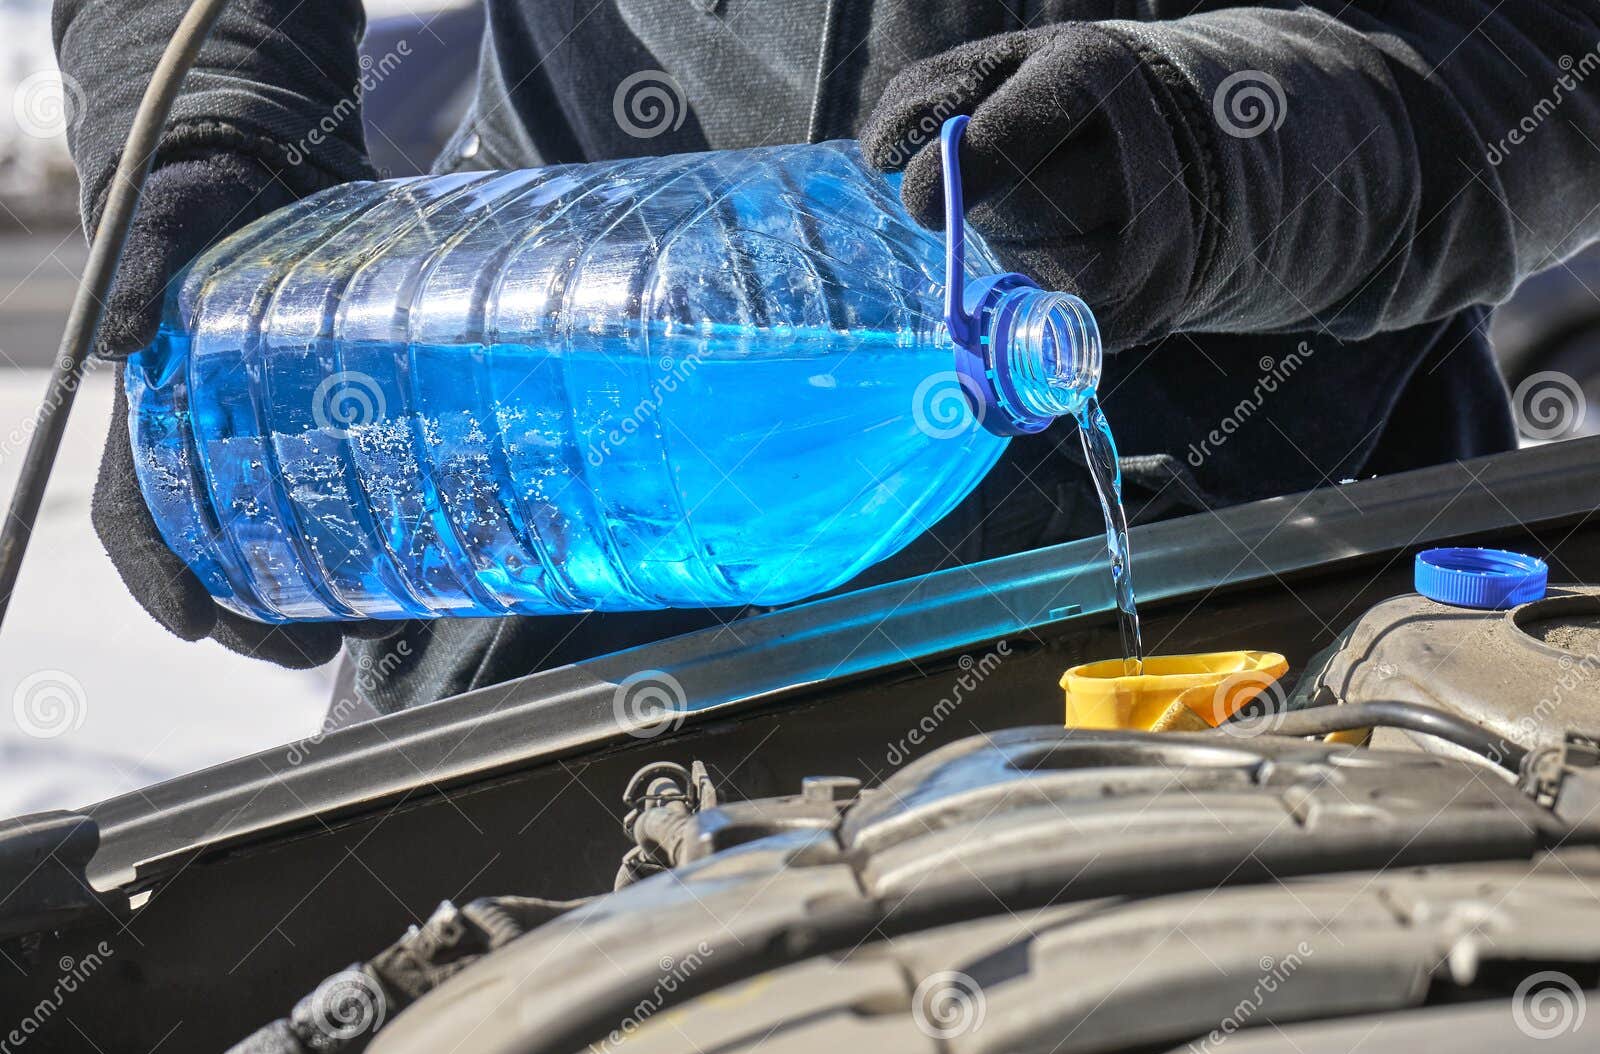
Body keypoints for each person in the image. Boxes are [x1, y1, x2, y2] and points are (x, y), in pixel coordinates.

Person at [55, 0, 1600, 714]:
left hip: (1273, 557)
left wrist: (1218, 157)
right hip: (561, 519)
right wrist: (216, 135)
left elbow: (1547, 57)